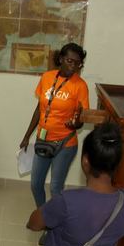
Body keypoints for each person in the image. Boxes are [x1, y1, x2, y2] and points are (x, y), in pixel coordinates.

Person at [20, 43, 89, 210]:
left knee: (55, 188)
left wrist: (76, 124)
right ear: (60, 59)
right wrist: (27, 135)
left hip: (65, 143)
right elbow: (40, 108)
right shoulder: (47, 77)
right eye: (70, 61)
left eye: (78, 63)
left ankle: (55, 225)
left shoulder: (80, 85)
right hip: (43, 139)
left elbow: (82, 118)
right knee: (36, 184)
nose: (73, 66)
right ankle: (44, 215)